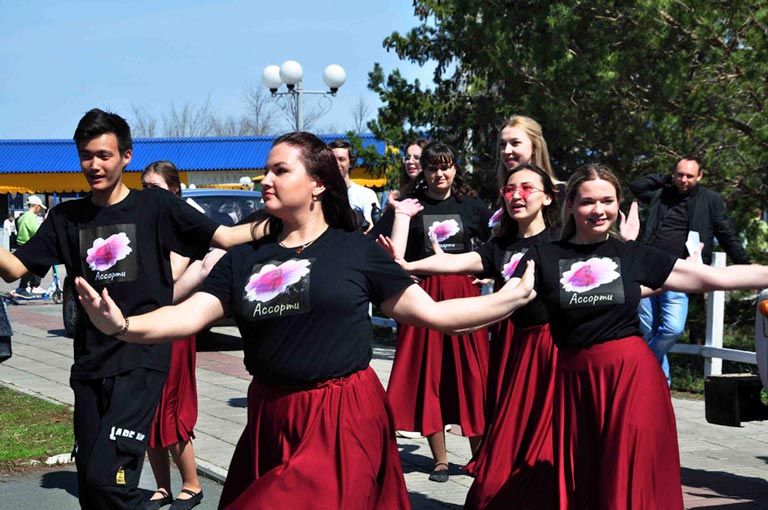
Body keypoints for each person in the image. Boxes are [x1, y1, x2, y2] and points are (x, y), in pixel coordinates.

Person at [72, 131, 537, 510]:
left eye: (281, 170)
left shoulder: (355, 251)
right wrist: (123, 326)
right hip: (272, 419)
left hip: (343, 416)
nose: (265, 180)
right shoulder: (243, 259)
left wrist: (512, 297)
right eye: (266, 171)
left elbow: (435, 315)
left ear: (317, 183)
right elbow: (189, 316)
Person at [0, 108, 262, 510]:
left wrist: (286, 221)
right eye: (87, 155)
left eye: (104, 155)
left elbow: (226, 236)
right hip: (89, 365)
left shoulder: (154, 207)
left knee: (110, 480)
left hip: (141, 361)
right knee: (91, 484)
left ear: (126, 156)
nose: (94, 165)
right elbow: (15, 268)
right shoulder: (66, 218)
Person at [510, 163, 768, 508]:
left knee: (633, 476)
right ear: (570, 204)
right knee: (589, 478)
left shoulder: (630, 254)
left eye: (608, 200)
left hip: (631, 379)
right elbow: (505, 302)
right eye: (588, 201)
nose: (599, 210)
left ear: (618, 204)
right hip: (577, 382)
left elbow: (710, 278)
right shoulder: (544, 256)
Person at [384, 163, 560, 508]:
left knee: (550, 443)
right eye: (509, 190)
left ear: (549, 198)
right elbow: (461, 261)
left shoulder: (561, 242)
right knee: (509, 443)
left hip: (556, 354)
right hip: (520, 352)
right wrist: (410, 266)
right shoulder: (503, 245)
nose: (516, 196)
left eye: (526, 189)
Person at [370, 141, 491, 483]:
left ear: (455, 168)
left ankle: (479, 457)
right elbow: (381, 246)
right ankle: (439, 459)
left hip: (465, 298)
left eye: (446, 166)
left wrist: (490, 273)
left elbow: (496, 247)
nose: (440, 174)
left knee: (472, 376)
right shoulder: (411, 206)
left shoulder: (473, 207)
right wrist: (399, 271)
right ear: (422, 171)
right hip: (424, 299)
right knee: (430, 376)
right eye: (433, 167)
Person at [630, 156, 750, 384]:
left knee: (672, 329)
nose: (684, 180)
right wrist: (667, 179)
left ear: (700, 176)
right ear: (673, 174)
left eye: (689, 176)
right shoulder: (661, 194)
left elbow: (726, 233)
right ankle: (660, 382)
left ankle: (641, 366)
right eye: (680, 174)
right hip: (647, 267)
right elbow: (637, 186)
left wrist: (746, 264)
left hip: (680, 272)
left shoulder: (710, 199)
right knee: (647, 330)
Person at [141, 161, 203, 510]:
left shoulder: (182, 227)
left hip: (174, 326)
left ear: (174, 192)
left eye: (156, 188)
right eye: (145, 188)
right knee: (149, 410)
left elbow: (172, 285)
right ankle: (163, 487)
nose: (149, 195)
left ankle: (192, 485)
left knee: (172, 411)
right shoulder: (143, 226)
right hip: (148, 327)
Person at [328, 139, 379, 231]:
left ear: (350, 162)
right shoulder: (321, 194)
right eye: (332, 159)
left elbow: (371, 229)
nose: (337, 164)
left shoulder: (366, 194)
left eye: (341, 159)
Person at [14, 195, 47, 297]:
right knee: (43, 262)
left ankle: (23, 287)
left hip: (22, 245)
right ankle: (35, 286)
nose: (40, 209)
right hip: (30, 245)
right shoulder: (31, 217)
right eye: (39, 207)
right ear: (36, 206)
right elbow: (36, 231)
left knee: (28, 268)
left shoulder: (22, 217)